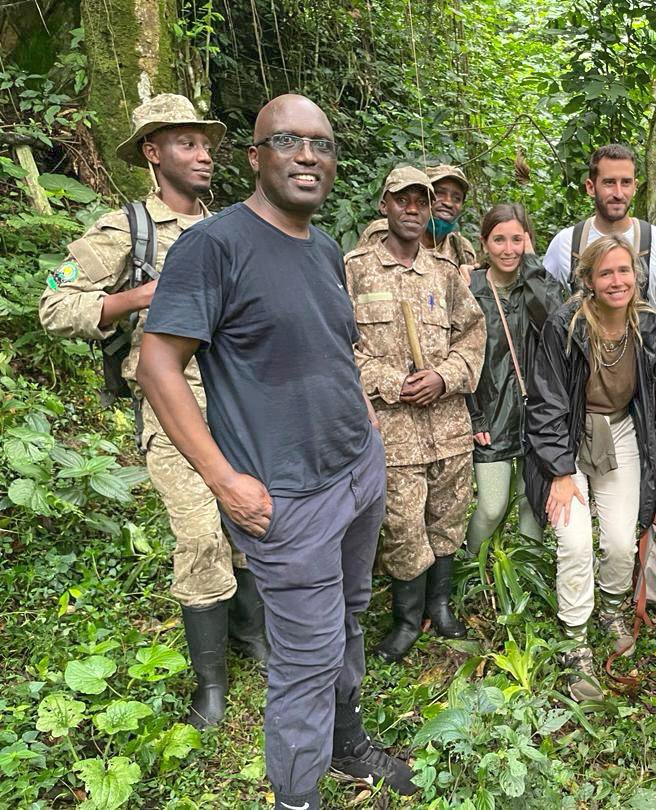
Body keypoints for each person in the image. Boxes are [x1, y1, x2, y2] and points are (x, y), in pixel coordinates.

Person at [136, 95, 416, 809]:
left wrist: (366, 425)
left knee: (349, 618)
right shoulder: (215, 245)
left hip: (356, 471)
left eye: (322, 144)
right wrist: (223, 480)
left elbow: (330, 346)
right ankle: (297, 796)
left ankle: (346, 742)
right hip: (285, 498)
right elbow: (158, 365)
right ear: (255, 157)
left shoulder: (323, 248)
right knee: (304, 658)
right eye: (288, 141)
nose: (308, 155)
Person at [38, 93, 269, 729]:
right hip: (173, 408)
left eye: (206, 144)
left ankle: (253, 638)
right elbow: (54, 306)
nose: (204, 155)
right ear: (152, 152)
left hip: (241, 404)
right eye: (186, 143)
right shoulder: (125, 231)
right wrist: (136, 297)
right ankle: (211, 683)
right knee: (198, 535)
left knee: (249, 525)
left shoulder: (232, 227)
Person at [345, 166, 486, 662]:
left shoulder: (444, 273)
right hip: (394, 432)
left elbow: (474, 335)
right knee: (403, 526)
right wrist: (390, 381)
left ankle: (439, 606)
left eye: (420, 201)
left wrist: (444, 377)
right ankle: (406, 620)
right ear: (384, 205)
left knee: (447, 518)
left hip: (448, 428)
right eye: (401, 200)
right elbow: (339, 346)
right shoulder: (356, 269)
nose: (412, 209)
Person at [525, 235, 656, 701]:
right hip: (569, 433)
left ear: (636, 275)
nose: (617, 281)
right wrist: (559, 471)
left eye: (624, 270)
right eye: (605, 272)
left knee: (620, 541)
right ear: (588, 279)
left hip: (621, 432)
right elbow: (546, 401)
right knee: (573, 541)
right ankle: (574, 638)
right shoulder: (566, 325)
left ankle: (610, 608)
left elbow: (655, 401)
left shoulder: (650, 327)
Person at [465, 203, 566, 554]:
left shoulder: (538, 285)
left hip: (538, 414)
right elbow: (459, 357)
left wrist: (533, 266)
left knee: (531, 503)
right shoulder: (469, 287)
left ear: (528, 241)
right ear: (484, 243)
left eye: (517, 239)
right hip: (491, 415)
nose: (508, 249)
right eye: (499, 240)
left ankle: (528, 573)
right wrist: (474, 416)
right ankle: (470, 569)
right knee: (492, 507)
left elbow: (558, 325)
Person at [542, 144, 656, 321]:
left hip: (646, 339)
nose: (618, 193)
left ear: (635, 186)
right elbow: (542, 307)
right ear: (590, 187)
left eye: (626, 183)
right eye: (609, 182)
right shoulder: (566, 242)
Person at [356, 164, 476, 277]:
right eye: (439, 193)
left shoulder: (460, 249)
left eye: (457, 198)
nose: (448, 203)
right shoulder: (381, 233)